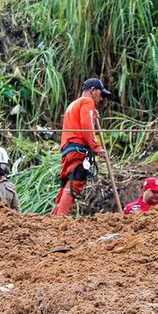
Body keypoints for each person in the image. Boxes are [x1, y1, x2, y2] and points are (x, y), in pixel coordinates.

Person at [55, 77, 112, 216]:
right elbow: (87, 128)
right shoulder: (87, 102)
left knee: (66, 183)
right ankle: (60, 219)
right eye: (100, 94)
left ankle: (55, 216)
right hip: (77, 149)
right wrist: (96, 147)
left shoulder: (74, 104)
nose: (101, 99)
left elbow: (82, 124)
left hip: (68, 149)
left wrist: (92, 117)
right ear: (93, 90)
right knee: (76, 181)